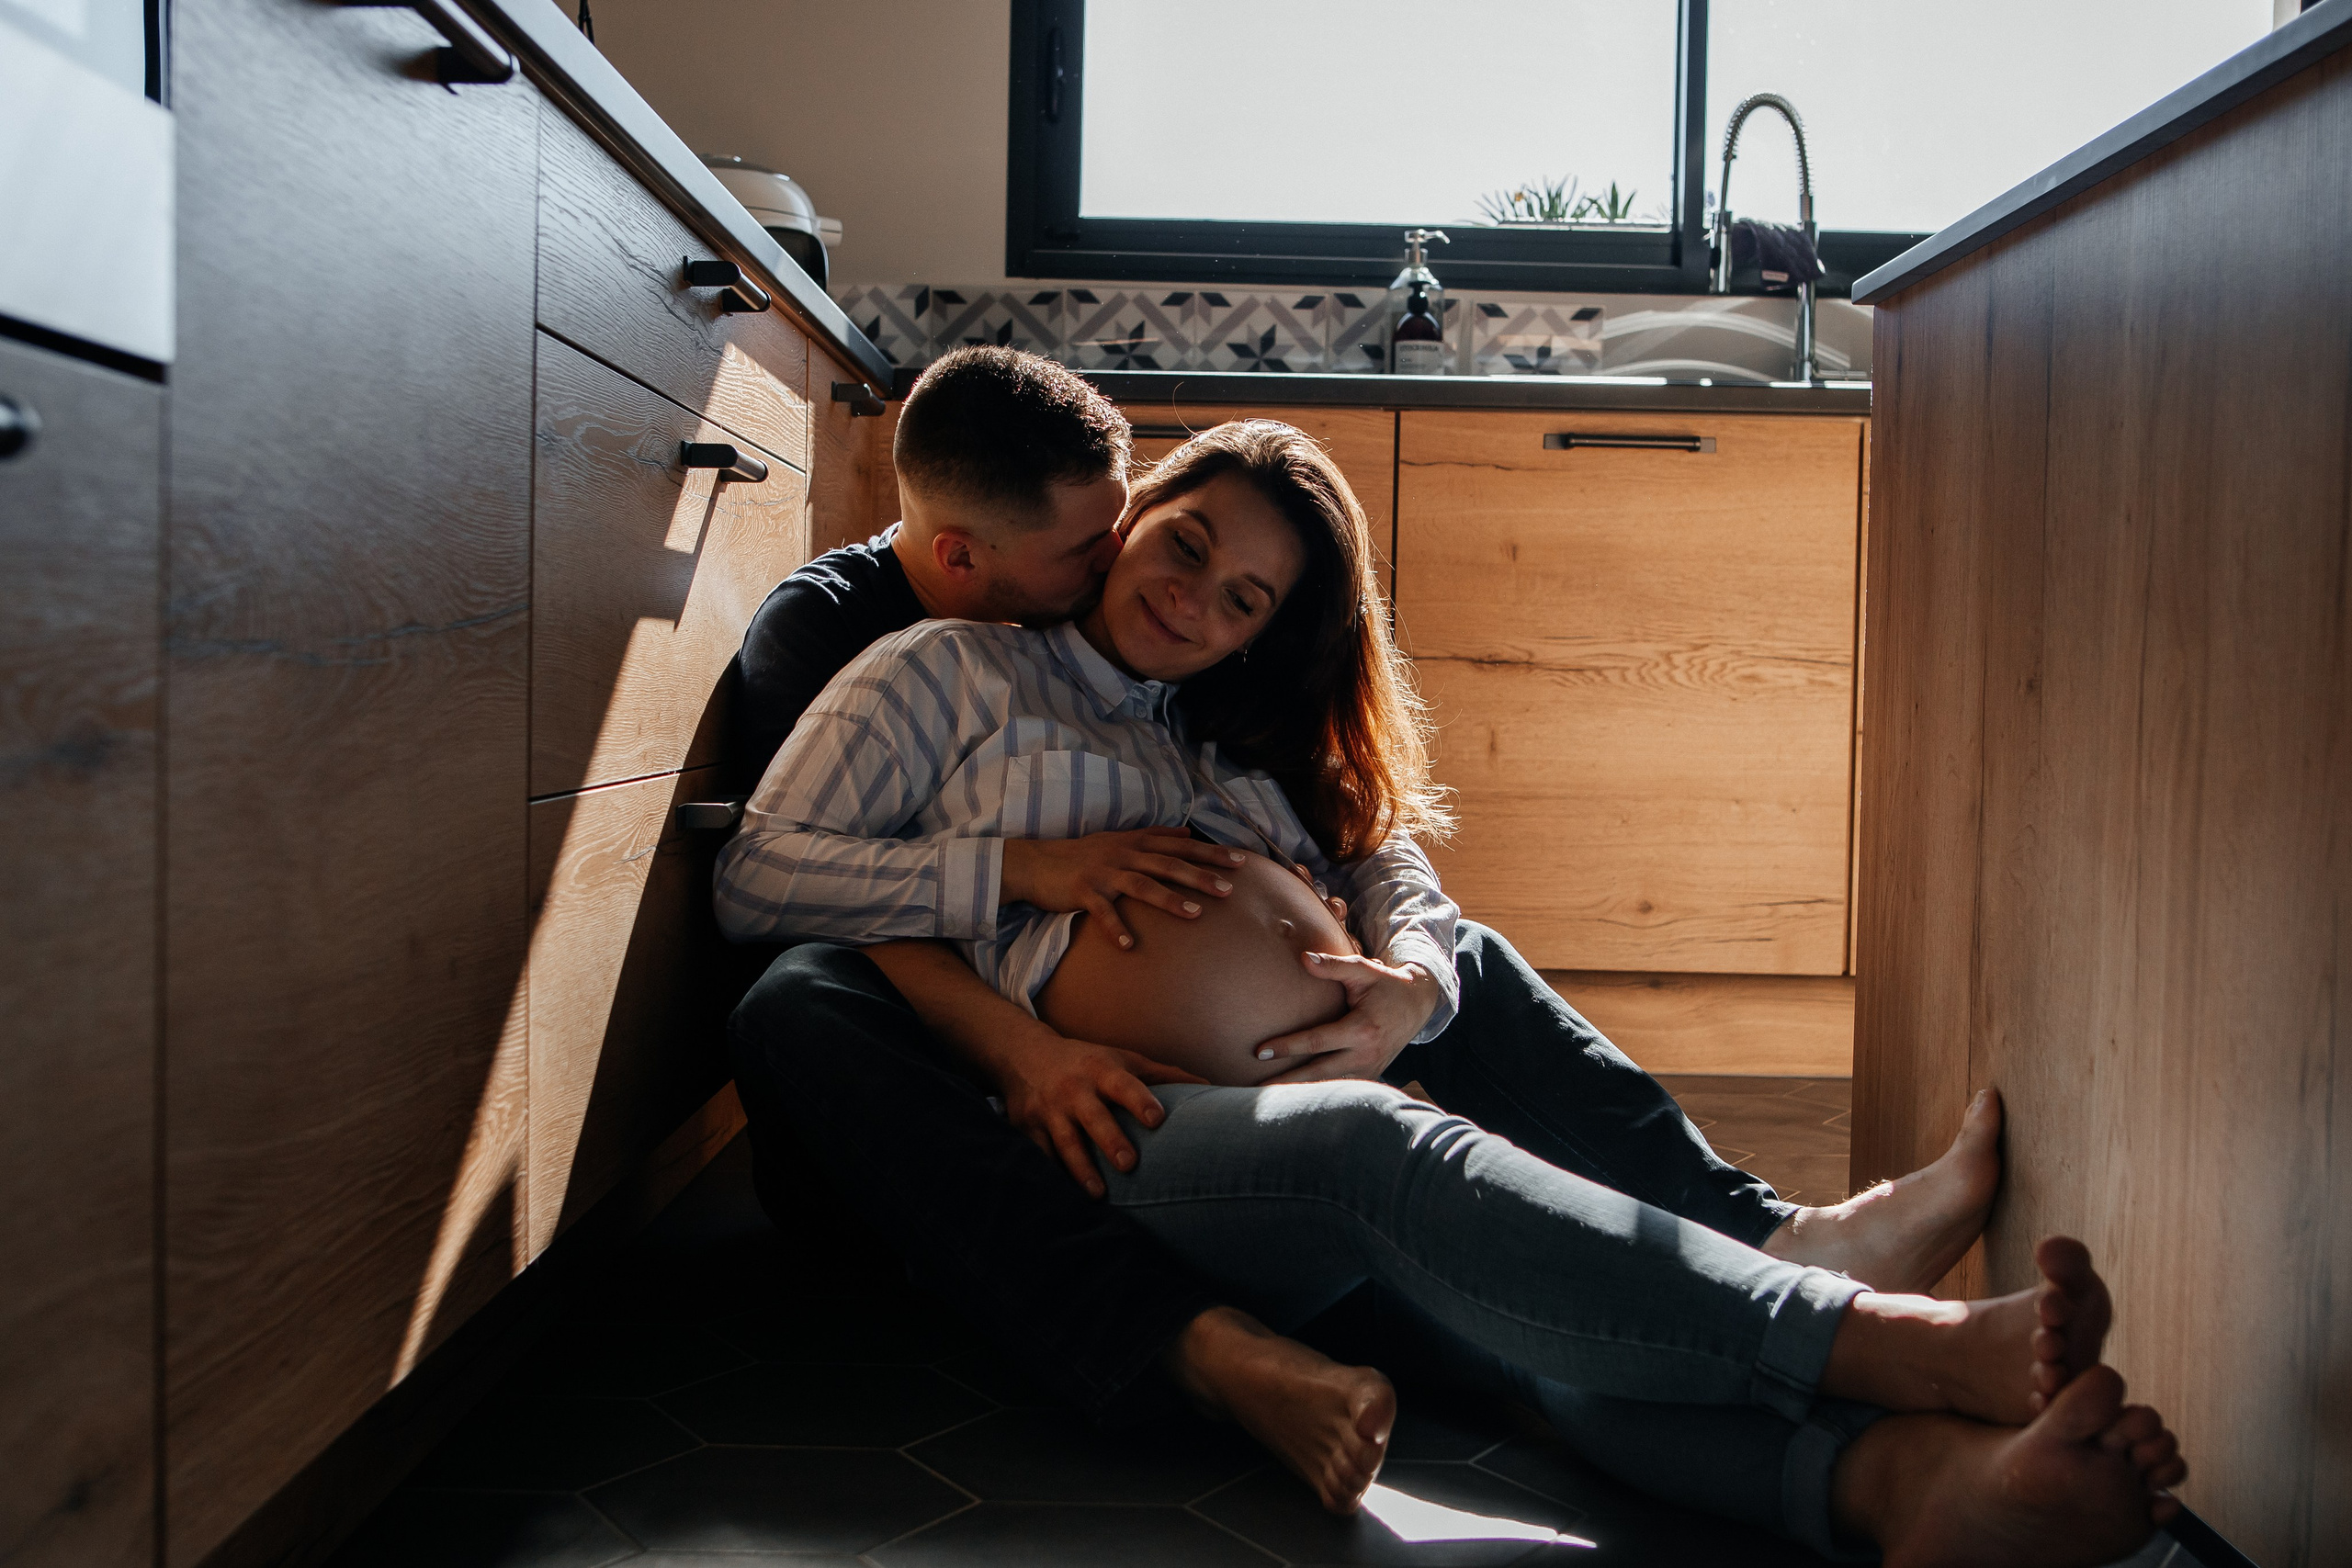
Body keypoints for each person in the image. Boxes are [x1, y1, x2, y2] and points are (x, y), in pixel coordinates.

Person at [717, 411, 2187, 1562]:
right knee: (1380, 1149)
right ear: (1132, 516)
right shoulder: (949, 671)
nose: (1196, 598)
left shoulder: (1229, 730)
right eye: (1186, 545)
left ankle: (1903, 1487)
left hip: (1314, 1099)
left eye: (1242, 597)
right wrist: (1027, 875)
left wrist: (1408, 987)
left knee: (1523, 1327)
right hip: (1128, 1129)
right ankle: (1879, 1339)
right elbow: (763, 882)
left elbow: (1392, 859)